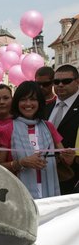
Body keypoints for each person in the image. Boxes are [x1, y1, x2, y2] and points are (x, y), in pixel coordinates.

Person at [0, 81, 74, 199]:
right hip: (18, 194)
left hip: (49, 193)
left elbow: (64, 160)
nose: (28, 103)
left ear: (39, 102)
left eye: (33, 99)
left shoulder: (49, 127)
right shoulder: (7, 129)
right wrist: (21, 163)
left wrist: (68, 157)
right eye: (23, 99)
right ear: (16, 102)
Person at [47, 64, 79, 194]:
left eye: (66, 81)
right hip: (47, 174)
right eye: (56, 82)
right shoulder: (46, 108)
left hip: (73, 177)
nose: (60, 85)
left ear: (77, 82)